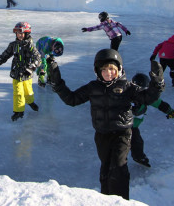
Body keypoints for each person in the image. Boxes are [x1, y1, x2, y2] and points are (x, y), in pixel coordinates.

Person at [47, 49, 165, 200]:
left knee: (118, 167)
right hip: (102, 134)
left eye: (112, 69)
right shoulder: (93, 87)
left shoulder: (127, 87)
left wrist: (157, 83)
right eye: (104, 69)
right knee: (106, 169)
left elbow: (147, 97)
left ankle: (120, 201)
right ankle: (106, 200)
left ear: (119, 69)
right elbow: (72, 99)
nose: (108, 73)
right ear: (97, 71)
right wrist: (57, 82)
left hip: (122, 133)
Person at [129, 73, 174, 168]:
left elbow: (162, 105)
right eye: (137, 89)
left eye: (143, 89)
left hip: (133, 127)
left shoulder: (147, 98)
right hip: (121, 125)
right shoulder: (126, 95)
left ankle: (139, 157)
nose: (139, 92)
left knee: (137, 142)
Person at [0, 22, 41, 121]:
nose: (19, 35)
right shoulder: (13, 45)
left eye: (21, 33)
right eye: (17, 33)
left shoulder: (30, 46)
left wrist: (31, 68)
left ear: (27, 34)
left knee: (28, 91)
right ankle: (19, 111)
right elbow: (5, 55)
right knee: (18, 92)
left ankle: (30, 102)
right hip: (17, 73)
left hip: (27, 73)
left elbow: (38, 58)